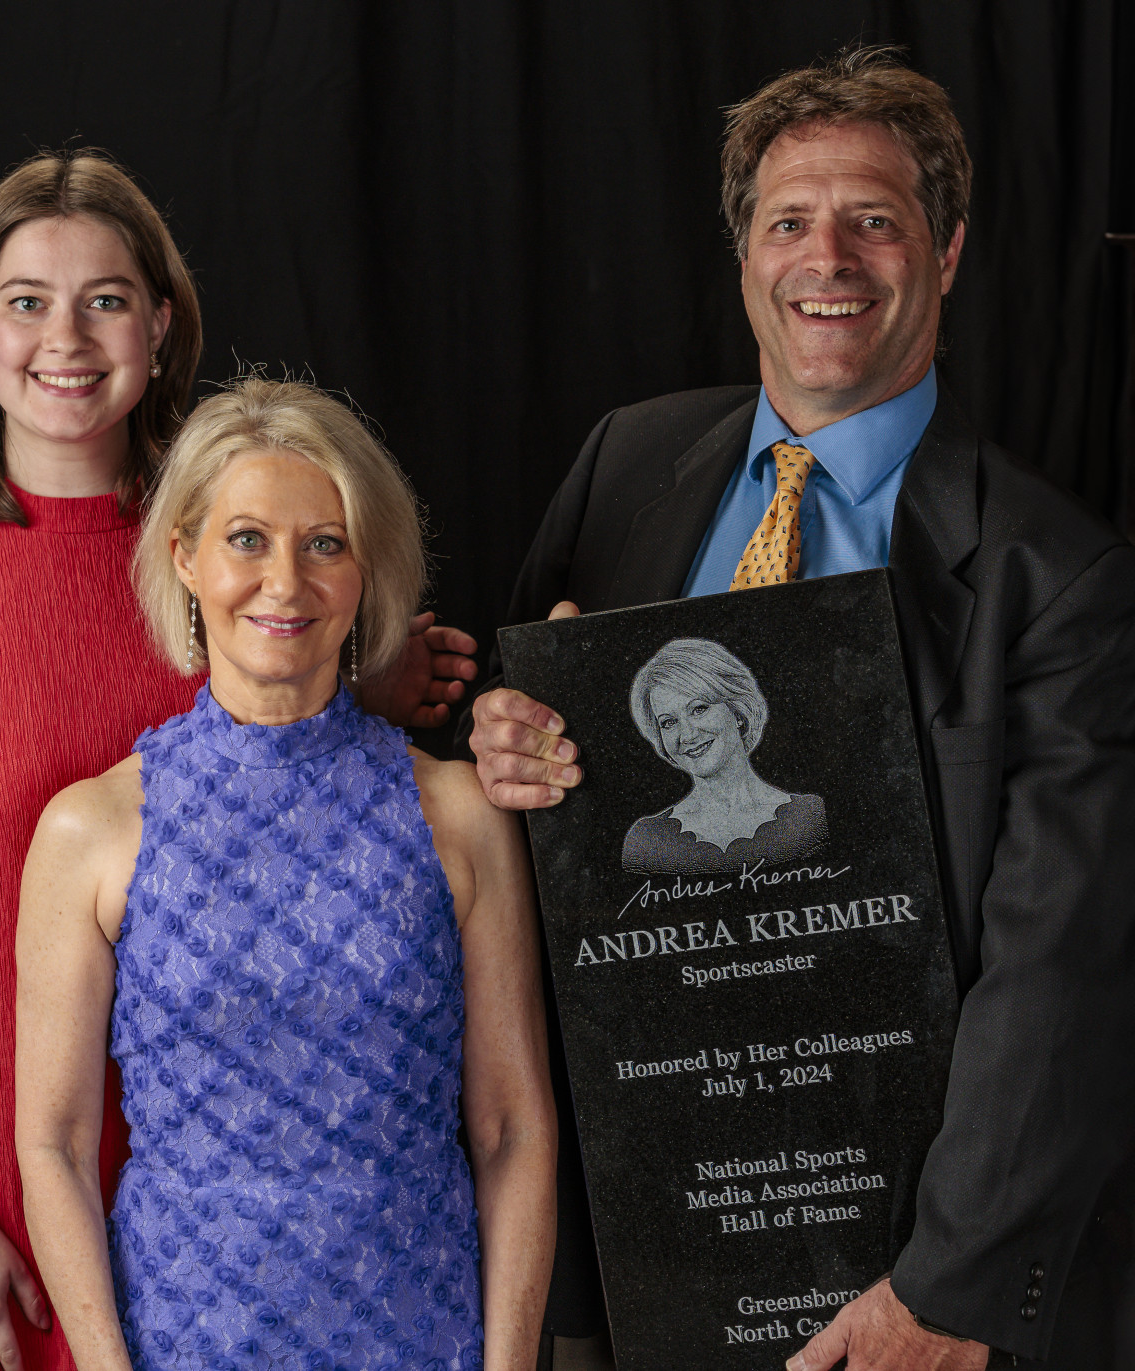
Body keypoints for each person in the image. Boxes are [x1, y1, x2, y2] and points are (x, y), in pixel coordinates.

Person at [466, 46, 1135, 1371]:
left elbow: (1066, 971)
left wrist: (945, 1289)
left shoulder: (1059, 581)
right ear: (744, 255)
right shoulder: (625, 467)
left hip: (898, 1274)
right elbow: (520, 781)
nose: (826, 254)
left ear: (943, 253)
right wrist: (506, 742)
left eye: (874, 219)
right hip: (636, 1239)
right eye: (789, 221)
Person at [0, 155, 480, 1371]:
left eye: (107, 299)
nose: (66, 335)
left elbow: (323, 770)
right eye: (26, 300)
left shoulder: (239, 566)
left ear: (162, 329)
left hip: (212, 1187)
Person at [14, 376, 557, 1371]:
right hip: (180, 1341)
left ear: (366, 572)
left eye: (325, 544)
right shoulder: (88, 832)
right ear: (184, 554)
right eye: (248, 539)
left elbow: (513, 1126)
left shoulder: (461, 817)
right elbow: (52, 1144)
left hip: (424, 1336)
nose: (286, 582)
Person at [619, 637, 826, 875]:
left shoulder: (810, 819)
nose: (687, 735)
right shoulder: (647, 841)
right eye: (668, 722)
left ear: (737, 711)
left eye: (699, 709)